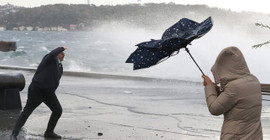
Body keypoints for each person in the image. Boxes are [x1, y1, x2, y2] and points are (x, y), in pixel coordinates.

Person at [202, 46, 263, 139]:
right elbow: (236, 99)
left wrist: (209, 86)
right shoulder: (254, 80)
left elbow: (214, 109)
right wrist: (218, 90)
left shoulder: (234, 87)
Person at [11, 46, 67, 140]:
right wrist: (62, 47)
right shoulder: (48, 58)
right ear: (57, 53)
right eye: (61, 53)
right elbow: (52, 53)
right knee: (27, 112)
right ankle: (14, 134)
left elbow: (55, 79)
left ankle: (49, 132)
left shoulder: (59, 66)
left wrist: (52, 89)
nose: (63, 55)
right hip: (37, 90)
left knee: (57, 110)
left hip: (48, 93)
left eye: (64, 54)